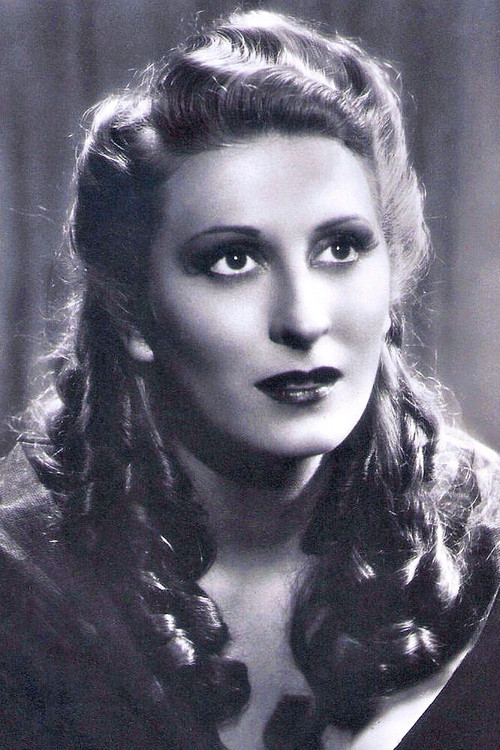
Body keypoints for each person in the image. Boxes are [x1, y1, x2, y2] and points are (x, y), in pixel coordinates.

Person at [0, 9, 498, 750]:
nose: (303, 318)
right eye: (232, 260)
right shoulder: (23, 599)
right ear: (134, 312)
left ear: (392, 279)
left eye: (340, 248)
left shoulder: (488, 552)